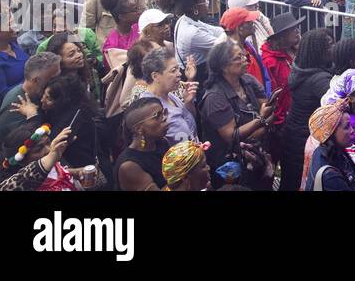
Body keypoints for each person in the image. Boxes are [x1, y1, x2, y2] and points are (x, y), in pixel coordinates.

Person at [198, 39, 275, 189]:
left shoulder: (247, 81)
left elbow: (268, 107)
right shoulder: (215, 97)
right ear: (224, 67)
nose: (244, 59)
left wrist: (262, 122)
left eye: (243, 55)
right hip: (233, 169)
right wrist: (261, 120)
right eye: (238, 58)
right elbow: (231, 137)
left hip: (257, 157)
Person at [279, 28, 334, 192]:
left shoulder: (300, 69)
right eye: (330, 45)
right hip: (304, 140)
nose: (334, 47)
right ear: (319, 51)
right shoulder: (319, 80)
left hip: (293, 135)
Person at [139, 47, 199, 144]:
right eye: (173, 70)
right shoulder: (148, 109)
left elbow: (190, 125)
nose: (179, 74)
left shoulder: (170, 94)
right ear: (155, 76)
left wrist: (188, 103)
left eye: (178, 69)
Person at [114, 96, 170, 190]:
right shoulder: (129, 166)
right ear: (138, 129)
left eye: (164, 112)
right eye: (157, 116)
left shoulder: (162, 143)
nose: (164, 118)